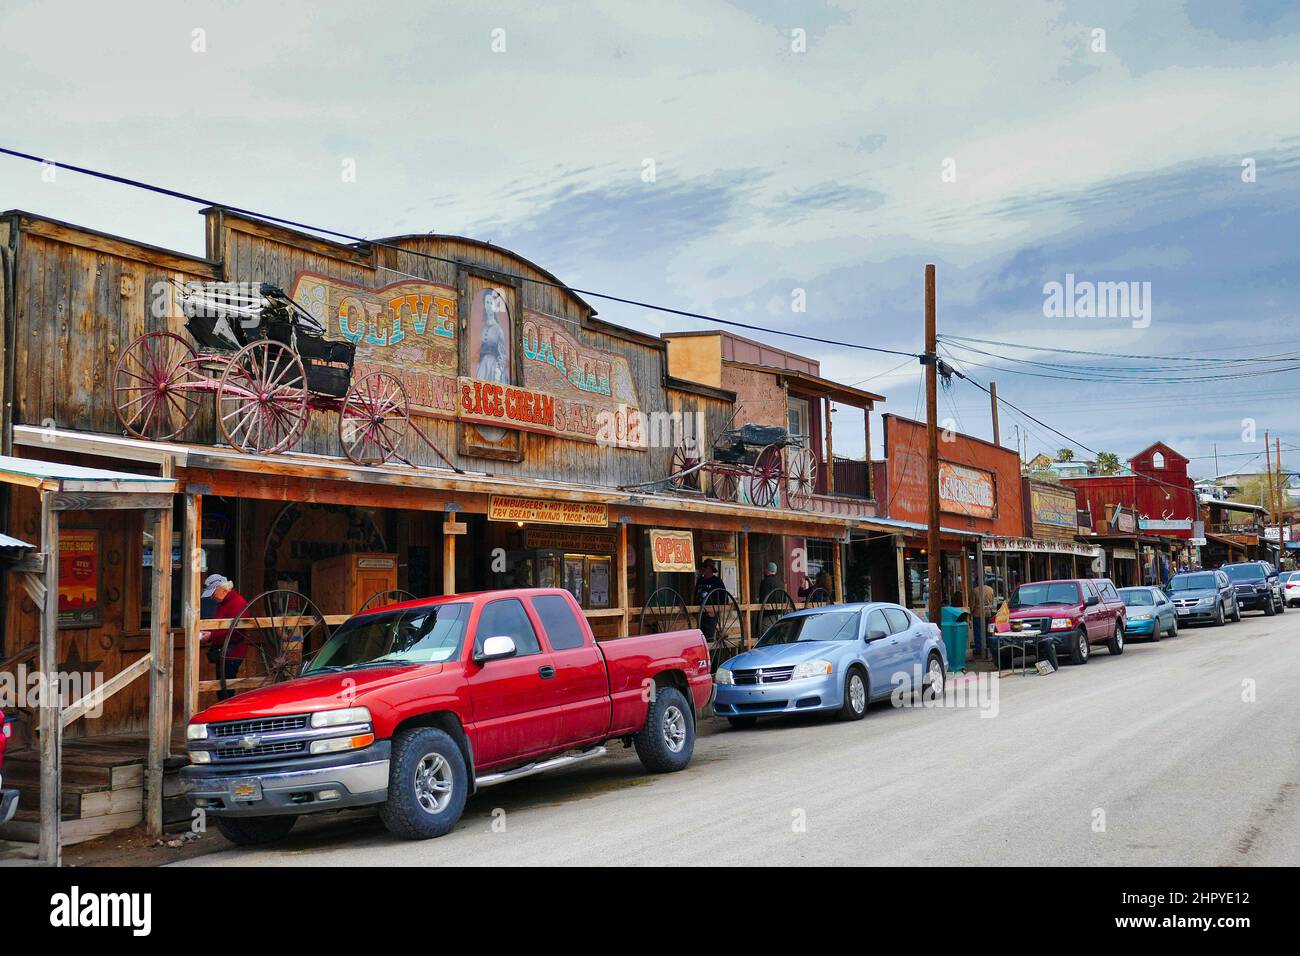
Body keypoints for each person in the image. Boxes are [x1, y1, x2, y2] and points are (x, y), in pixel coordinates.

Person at [199, 574, 249, 701]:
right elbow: (222, 626)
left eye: (213, 592)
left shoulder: (238, 603)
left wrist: (211, 635)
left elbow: (237, 631)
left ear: (223, 589)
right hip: (225, 651)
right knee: (223, 688)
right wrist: (210, 633)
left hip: (232, 653)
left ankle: (228, 714)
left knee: (226, 690)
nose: (211, 596)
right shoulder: (226, 602)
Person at [695, 560, 728, 645]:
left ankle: (711, 657)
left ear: (710, 569)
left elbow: (724, 599)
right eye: (702, 567)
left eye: (705, 567)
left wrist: (715, 610)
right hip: (700, 613)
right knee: (700, 638)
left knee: (709, 639)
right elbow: (695, 596)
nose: (703, 569)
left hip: (711, 614)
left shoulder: (717, 581)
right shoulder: (700, 581)